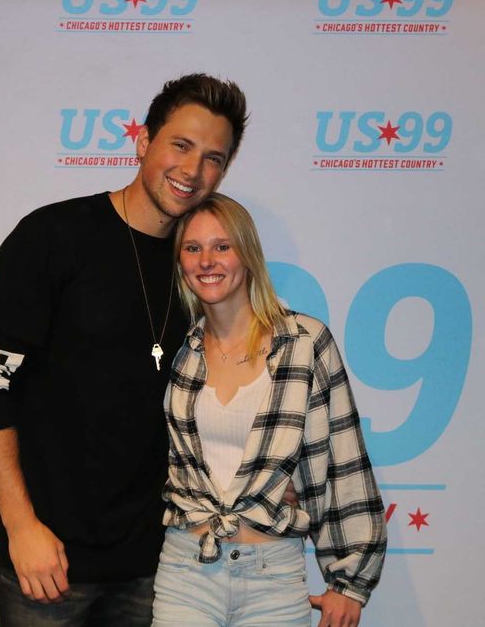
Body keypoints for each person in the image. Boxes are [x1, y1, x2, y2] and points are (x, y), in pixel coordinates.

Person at [0, 73, 248, 626]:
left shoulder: (201, 267)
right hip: (49, 563)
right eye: (181, 145)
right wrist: (21, 526)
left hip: (159, 565)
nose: (192, 169)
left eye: (213, 157)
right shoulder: (54, 236)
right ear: (143, 141)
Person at [154, 194, 387, 627]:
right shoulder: (177, 349)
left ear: (247, 255)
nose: (207, 261)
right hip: (186, 571)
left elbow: (342, 461)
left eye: (222, 246)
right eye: (193, 248)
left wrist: (348, 583)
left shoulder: (304, 343)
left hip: (273, 579)